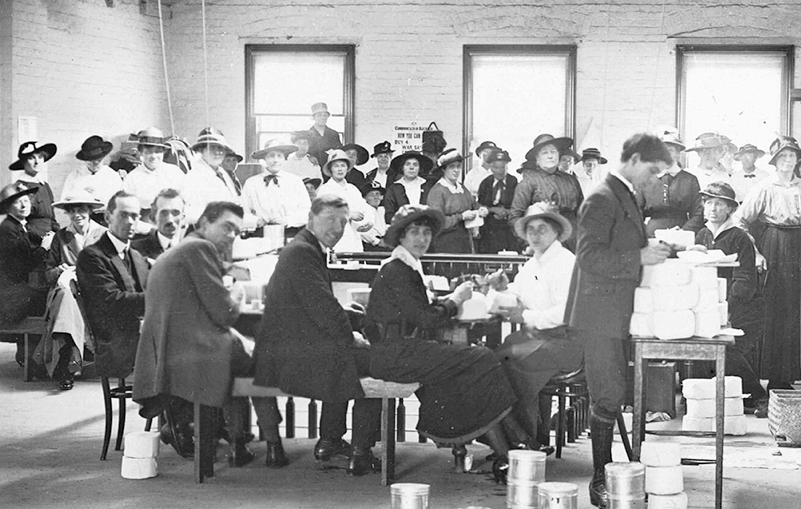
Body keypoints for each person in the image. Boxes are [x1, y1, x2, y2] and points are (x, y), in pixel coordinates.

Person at [364, 205, 532, 481]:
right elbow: (427, 320)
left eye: (426, 232)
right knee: (483, 358)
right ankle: (515, 443)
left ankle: (509, 451)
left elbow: (419, 311)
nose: (422, 239)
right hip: (397, 355)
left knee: (475, 365)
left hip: (401, 351)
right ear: (400, 237)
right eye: (414, 232)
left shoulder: (405, 266)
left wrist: (451, 300)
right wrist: (455, 300)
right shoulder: (397, 270)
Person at [566, 133, 674, 509]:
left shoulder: (625, 193)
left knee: (611, 393)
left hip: (614, 310)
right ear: (634, 159)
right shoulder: (601, 197)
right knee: (607, 396)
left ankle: (608, 474)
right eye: (653, 170)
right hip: (598, 313)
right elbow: (589, 257)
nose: (655, 178)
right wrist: (640, 257)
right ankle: (599, 482)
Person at [132, 201, 279, 467]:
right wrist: (238, 292)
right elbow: (225, 314)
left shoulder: (183, 249)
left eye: (237, 230)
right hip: (197, 351)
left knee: (240, 363)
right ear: (203, 224)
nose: (232, 235)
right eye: (227, 227)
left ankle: (239, 443)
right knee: (261, 362)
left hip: (171, 351)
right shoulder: (200, 248)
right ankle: (272, 445)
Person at [253, 196, 387, 474]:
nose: (337, 228)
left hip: (288, 349)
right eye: (329, 220)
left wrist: (346, 316)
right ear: (311, 219)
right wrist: (352, 336)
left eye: (342, 222)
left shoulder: (306, 247)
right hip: (289, 357)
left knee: (350, 356)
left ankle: (330, 441)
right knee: (378, 362)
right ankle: (359, 452)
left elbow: (314, 303)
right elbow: (322, 309)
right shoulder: (303, 251)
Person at [736, 136, 801, 405]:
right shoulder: (764, 187)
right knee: (771, 312)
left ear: (797, 160)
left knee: (793, 312)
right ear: (774, 161)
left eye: (792, 156)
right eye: (783, 157)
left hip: (797, 249)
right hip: (772, 247)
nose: (788, 161)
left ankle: (783, 378)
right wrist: (757, 253)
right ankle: (767, 374)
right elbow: (740, 221)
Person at [490, 202, 582, 447]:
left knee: (512, 364)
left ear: (555, 232)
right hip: (537, 337)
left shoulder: (566, 263)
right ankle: (514, 439)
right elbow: (517, 294)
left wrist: (525, 316)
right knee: (493, 360)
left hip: (566, 342)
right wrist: (500, 288)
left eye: (542, 229)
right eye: (531, 230)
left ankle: (525, 441)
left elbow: (564, 314)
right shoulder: (533, 263)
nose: (536, 235)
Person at [693, 182, 767, 410]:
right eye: (708, 203)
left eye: (719, 204)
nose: (712, 209)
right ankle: (702, 400)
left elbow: (744, 282)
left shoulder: (739, 237)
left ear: (730, 209)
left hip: (741, 308)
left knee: (724, 347)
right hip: (710, 306)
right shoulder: (703, 234)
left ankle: (758, 396)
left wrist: (725, 309)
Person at [75, 191, 149, 389]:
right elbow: (112, 301)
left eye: (135, 216)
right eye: (124, 215)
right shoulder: (92, 256)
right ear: (108, 217)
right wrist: (160, 298)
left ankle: (178, 418)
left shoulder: (136, 256)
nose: (130, 222)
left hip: (142, 337)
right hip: (118, 343)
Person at [40, 193, 105, 389]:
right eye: (72, 211)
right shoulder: (61, 236)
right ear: (68, 213)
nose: (77, 215)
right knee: (66, 296)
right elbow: (48, 274)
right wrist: (60, 270)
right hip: (65, 290)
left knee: (70, 300)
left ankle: (68, 358)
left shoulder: (103, 235)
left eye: (82, 210)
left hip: (94, 291)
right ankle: (72, 357)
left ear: (90, 211)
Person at [0, 182, 52, 340]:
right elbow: (20, 267)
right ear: (8, 208)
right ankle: (34, 355)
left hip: (16, 291)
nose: (24, 205)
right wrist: (43, 248)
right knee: (50, 299)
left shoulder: (22, 226)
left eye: (26, 201)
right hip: (9, 296)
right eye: (17, 202)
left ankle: (30, 354)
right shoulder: (7, 229)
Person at [511, 134, 582, 239]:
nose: (550, 156)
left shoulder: (571, 180)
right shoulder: (528, 183)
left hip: (573, 238)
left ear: (558, 155)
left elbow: (582, 212)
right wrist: (530, 241)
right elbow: (515, 218)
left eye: (553, 152)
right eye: (545, 153)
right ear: (537, 159)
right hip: (543, 239)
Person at [182, 128, 254, 231]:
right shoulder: (193, 177)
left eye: (220, 148)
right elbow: (191, 214)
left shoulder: (222, 173)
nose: (218, 152)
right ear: (201, 150)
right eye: (212, 148)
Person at [240, 138, 311, 237]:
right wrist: (256, 221)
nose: (275, 160)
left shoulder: (295, 181)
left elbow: (306, 210)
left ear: (285, 158)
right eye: (271, 156)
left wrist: (287, 221)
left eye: (279, 156)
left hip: (290, 233)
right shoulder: (252, 183)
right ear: (264, 158)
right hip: (262, 233)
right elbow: (243, 212)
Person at [639, 130, 704, 235]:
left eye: (670, 151)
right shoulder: (645, 180)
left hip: (682, 233)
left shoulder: (690, 180)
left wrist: (683, 232)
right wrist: (646, 233)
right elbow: (636, 213)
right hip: (652, 235)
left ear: (677, 154)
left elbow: (698, 213)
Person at [425, 148, 486, 254]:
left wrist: (480, 209)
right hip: (446, 242)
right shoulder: (437, 191)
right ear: (443, 169)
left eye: (458, 166)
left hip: (465, 240)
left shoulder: (461, 188)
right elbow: (437, 222)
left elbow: (473, 204)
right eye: (451, 167)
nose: (456, 170)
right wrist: (461, 217)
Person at [316, 150, 377, 252]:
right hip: (335, 243)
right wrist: (347, 214)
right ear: (330, 169)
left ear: (347, 168)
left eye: (343, 165)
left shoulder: (352, 189)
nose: (340, 169)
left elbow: (365, 208)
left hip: (354, 241)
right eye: (336, 166)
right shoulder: (325, 190)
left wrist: (369, 222)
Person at [122, 128, 184, 222]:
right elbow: (128, 211)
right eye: (148, 152)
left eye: (158, 152)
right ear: (141, 153)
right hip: (146, 228)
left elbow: (187, 201)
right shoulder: (132, 178)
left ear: (163, 152)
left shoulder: (175, 172)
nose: (153, 156)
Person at [61, 135, 124, 209]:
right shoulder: (75, 175)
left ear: (103, 157)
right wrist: (81, 195)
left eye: (98, 160)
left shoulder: (112, 176)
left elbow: (119, 205)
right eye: (90, 161)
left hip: (104, 218)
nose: (94, 163)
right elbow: (64, 201)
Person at [477, 149, 521, 254]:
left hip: (508, 228)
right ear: (491, 167)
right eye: (496, 167)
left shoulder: (514, 182)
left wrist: (505, 212)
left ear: (507, 166)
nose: (500, 171)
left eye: (503, 167)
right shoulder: (485, 183)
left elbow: (519, 205)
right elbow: (479, 205)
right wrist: (493, 210)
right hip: (489, 228)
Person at [10, 140, 58, 237]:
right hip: (31, 240)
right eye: (31, 158)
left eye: (40, 157)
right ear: (23, 162)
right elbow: (18, 224)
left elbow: (52, 218)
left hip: (50, 238)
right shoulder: (18, 187)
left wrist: (57, 235)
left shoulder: (45, 185)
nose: (37, 162)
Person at [132, 189, 186, 262]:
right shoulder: (136, 251)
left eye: (175, 213)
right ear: (153, 217)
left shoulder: (193, 251)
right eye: (164, 213)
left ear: (183, 217)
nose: (170, 220)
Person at [382, 151, 432, 224]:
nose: (411, 167)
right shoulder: (393, 189)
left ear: (419, 168)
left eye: (415, 165)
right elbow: (389, 215)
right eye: (407, 164)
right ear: (402, 168)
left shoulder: (428, 186)